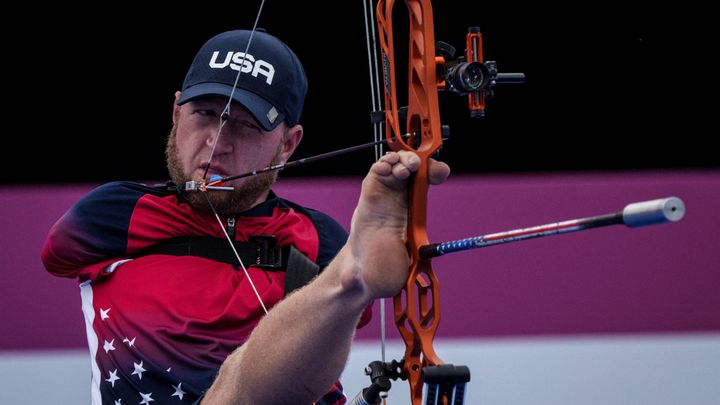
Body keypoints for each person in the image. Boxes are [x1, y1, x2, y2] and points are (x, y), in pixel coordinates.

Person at [41, 29, 450, 405]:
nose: (217, 143)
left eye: (246, 125)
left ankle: (347, 283)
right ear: (175, 113)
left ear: (289, 144)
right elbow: (55, 256)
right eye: (204, 113)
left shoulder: (316, 238)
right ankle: (348, 282)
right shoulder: (113, 216)